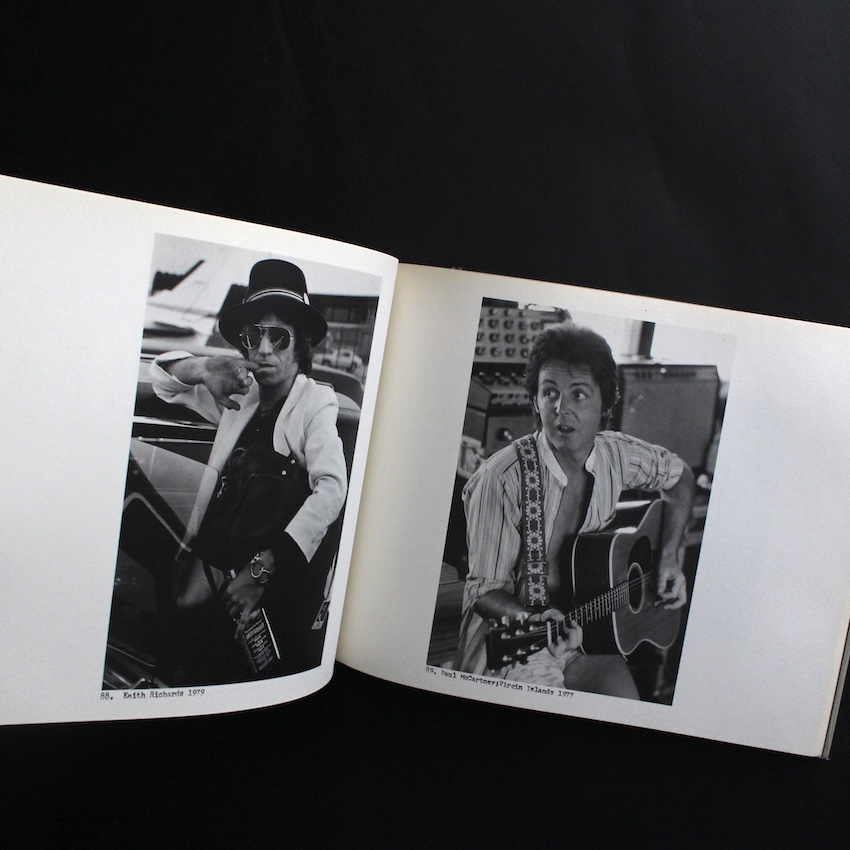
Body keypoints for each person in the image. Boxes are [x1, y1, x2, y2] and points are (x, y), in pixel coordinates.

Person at [456, 321, 694, 698]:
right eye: (549, 392)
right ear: (535, 401)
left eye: (578, 394)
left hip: (590, 634)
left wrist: (668, 559)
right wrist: (536, 620)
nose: (561, 408)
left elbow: (680, 477)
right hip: (514, 641)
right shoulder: (501, 478)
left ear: (605, 405)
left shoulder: (617, 454)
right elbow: (483, 592)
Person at [150, 258, 348, 683]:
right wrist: (204, 368)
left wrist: (262, 570)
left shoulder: (315, 403)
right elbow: (163, 382)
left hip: (268, 595)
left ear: (300, 345)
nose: (264, 349)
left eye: (279, 337)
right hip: (209, 577)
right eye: (253, 335)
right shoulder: (239, 397)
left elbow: (332, 488)